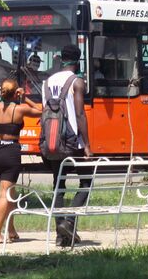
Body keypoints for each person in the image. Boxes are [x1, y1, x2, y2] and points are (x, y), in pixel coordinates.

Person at [42, 44, 92, 247]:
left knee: (59, 186)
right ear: (78, 61)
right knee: (87, 183)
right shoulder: (77, 81)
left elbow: (43, 113)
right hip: (73, 143)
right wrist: (87, 144)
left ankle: (60, 235)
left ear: (61, 59)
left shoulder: (47, 82)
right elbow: (79, 114)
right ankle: (69, 222)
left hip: (52, 142)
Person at [0, 79, 42, 244]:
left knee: (7, 193)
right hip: (10, 153)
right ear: (15, 93)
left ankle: (11, 230)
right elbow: (41, 110)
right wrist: (25, 98)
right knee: (5, 194)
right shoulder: (19, 109)